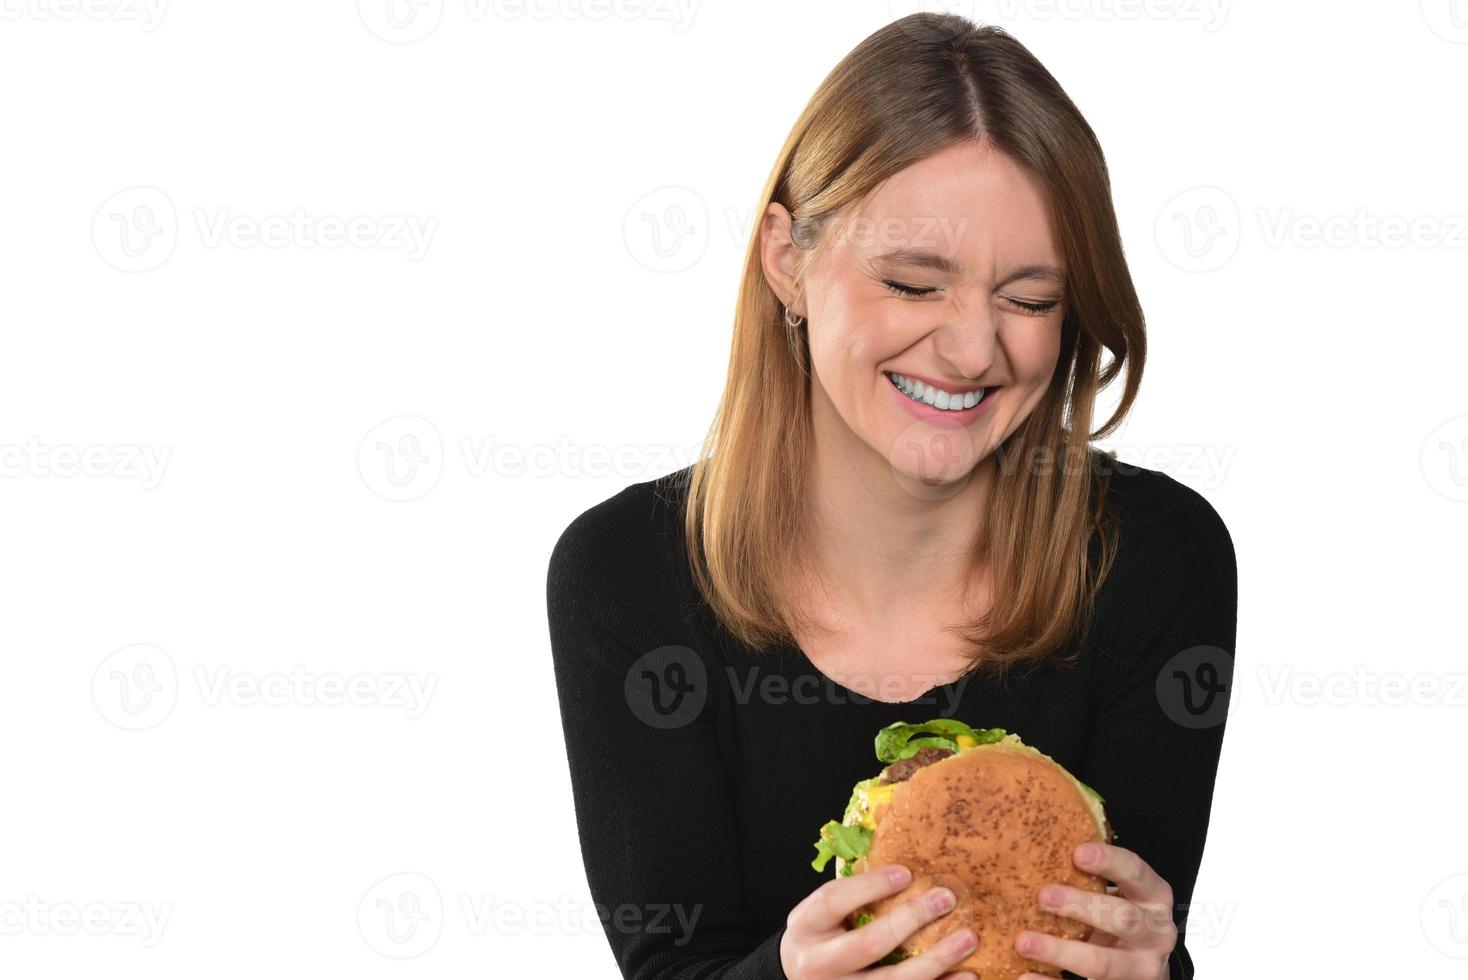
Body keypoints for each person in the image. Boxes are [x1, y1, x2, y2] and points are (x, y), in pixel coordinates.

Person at [546, 13, 1236, 980]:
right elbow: (672, 964)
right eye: (915, 284)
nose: (971, 351)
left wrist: (1155, 971)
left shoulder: (1156, 555)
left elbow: (1131, 937)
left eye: (1031, 299)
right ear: (788, 260)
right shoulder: (629, 573)